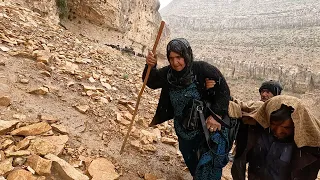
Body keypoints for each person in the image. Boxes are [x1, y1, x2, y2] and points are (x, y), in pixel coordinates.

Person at [142, 38, 231, 179]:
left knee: (209, 163)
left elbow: (223, 90)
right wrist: (150, 67)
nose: (175, 62)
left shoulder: (201, 69)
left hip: (206, 128)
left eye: (179, 57)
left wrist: (216, 116)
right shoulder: (168, 74)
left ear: (187, 55)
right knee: (191, 160)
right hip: (183, 128)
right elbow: (152, 82)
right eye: (171, 58)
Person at [232, 95, 320, 180]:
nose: (278, 131)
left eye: (286, 127)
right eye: (273, 124)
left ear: (296, 125)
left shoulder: (308, 146)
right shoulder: (256, 130)